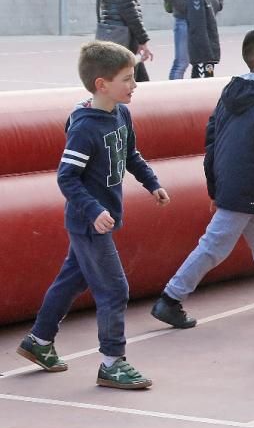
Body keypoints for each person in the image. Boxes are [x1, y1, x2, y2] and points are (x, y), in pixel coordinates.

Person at [16, 42, 170, 389]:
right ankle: (112, 363)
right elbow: (66, 177)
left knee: (73, 278)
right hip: (89, 223)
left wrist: (152, 183)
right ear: (102, 84)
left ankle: (39, 342)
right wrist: (94, 209)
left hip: (101, 217)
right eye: (127, 79)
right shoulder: (85, 127)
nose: (134, 85)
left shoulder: (120, 113)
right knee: (115, 289)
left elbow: (131, 154)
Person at [150, 30, 254, 329]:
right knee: (214, 245)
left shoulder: (229, 95)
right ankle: (170, 299)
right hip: (247, 186)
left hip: (233, 182)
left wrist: (215, 186)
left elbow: (211, 142)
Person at [182, 0, 220, 78]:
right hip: (202, 56)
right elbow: (199, 29)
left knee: (207, 83)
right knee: (202, 85)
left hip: (207, 56)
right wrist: (207, 54)